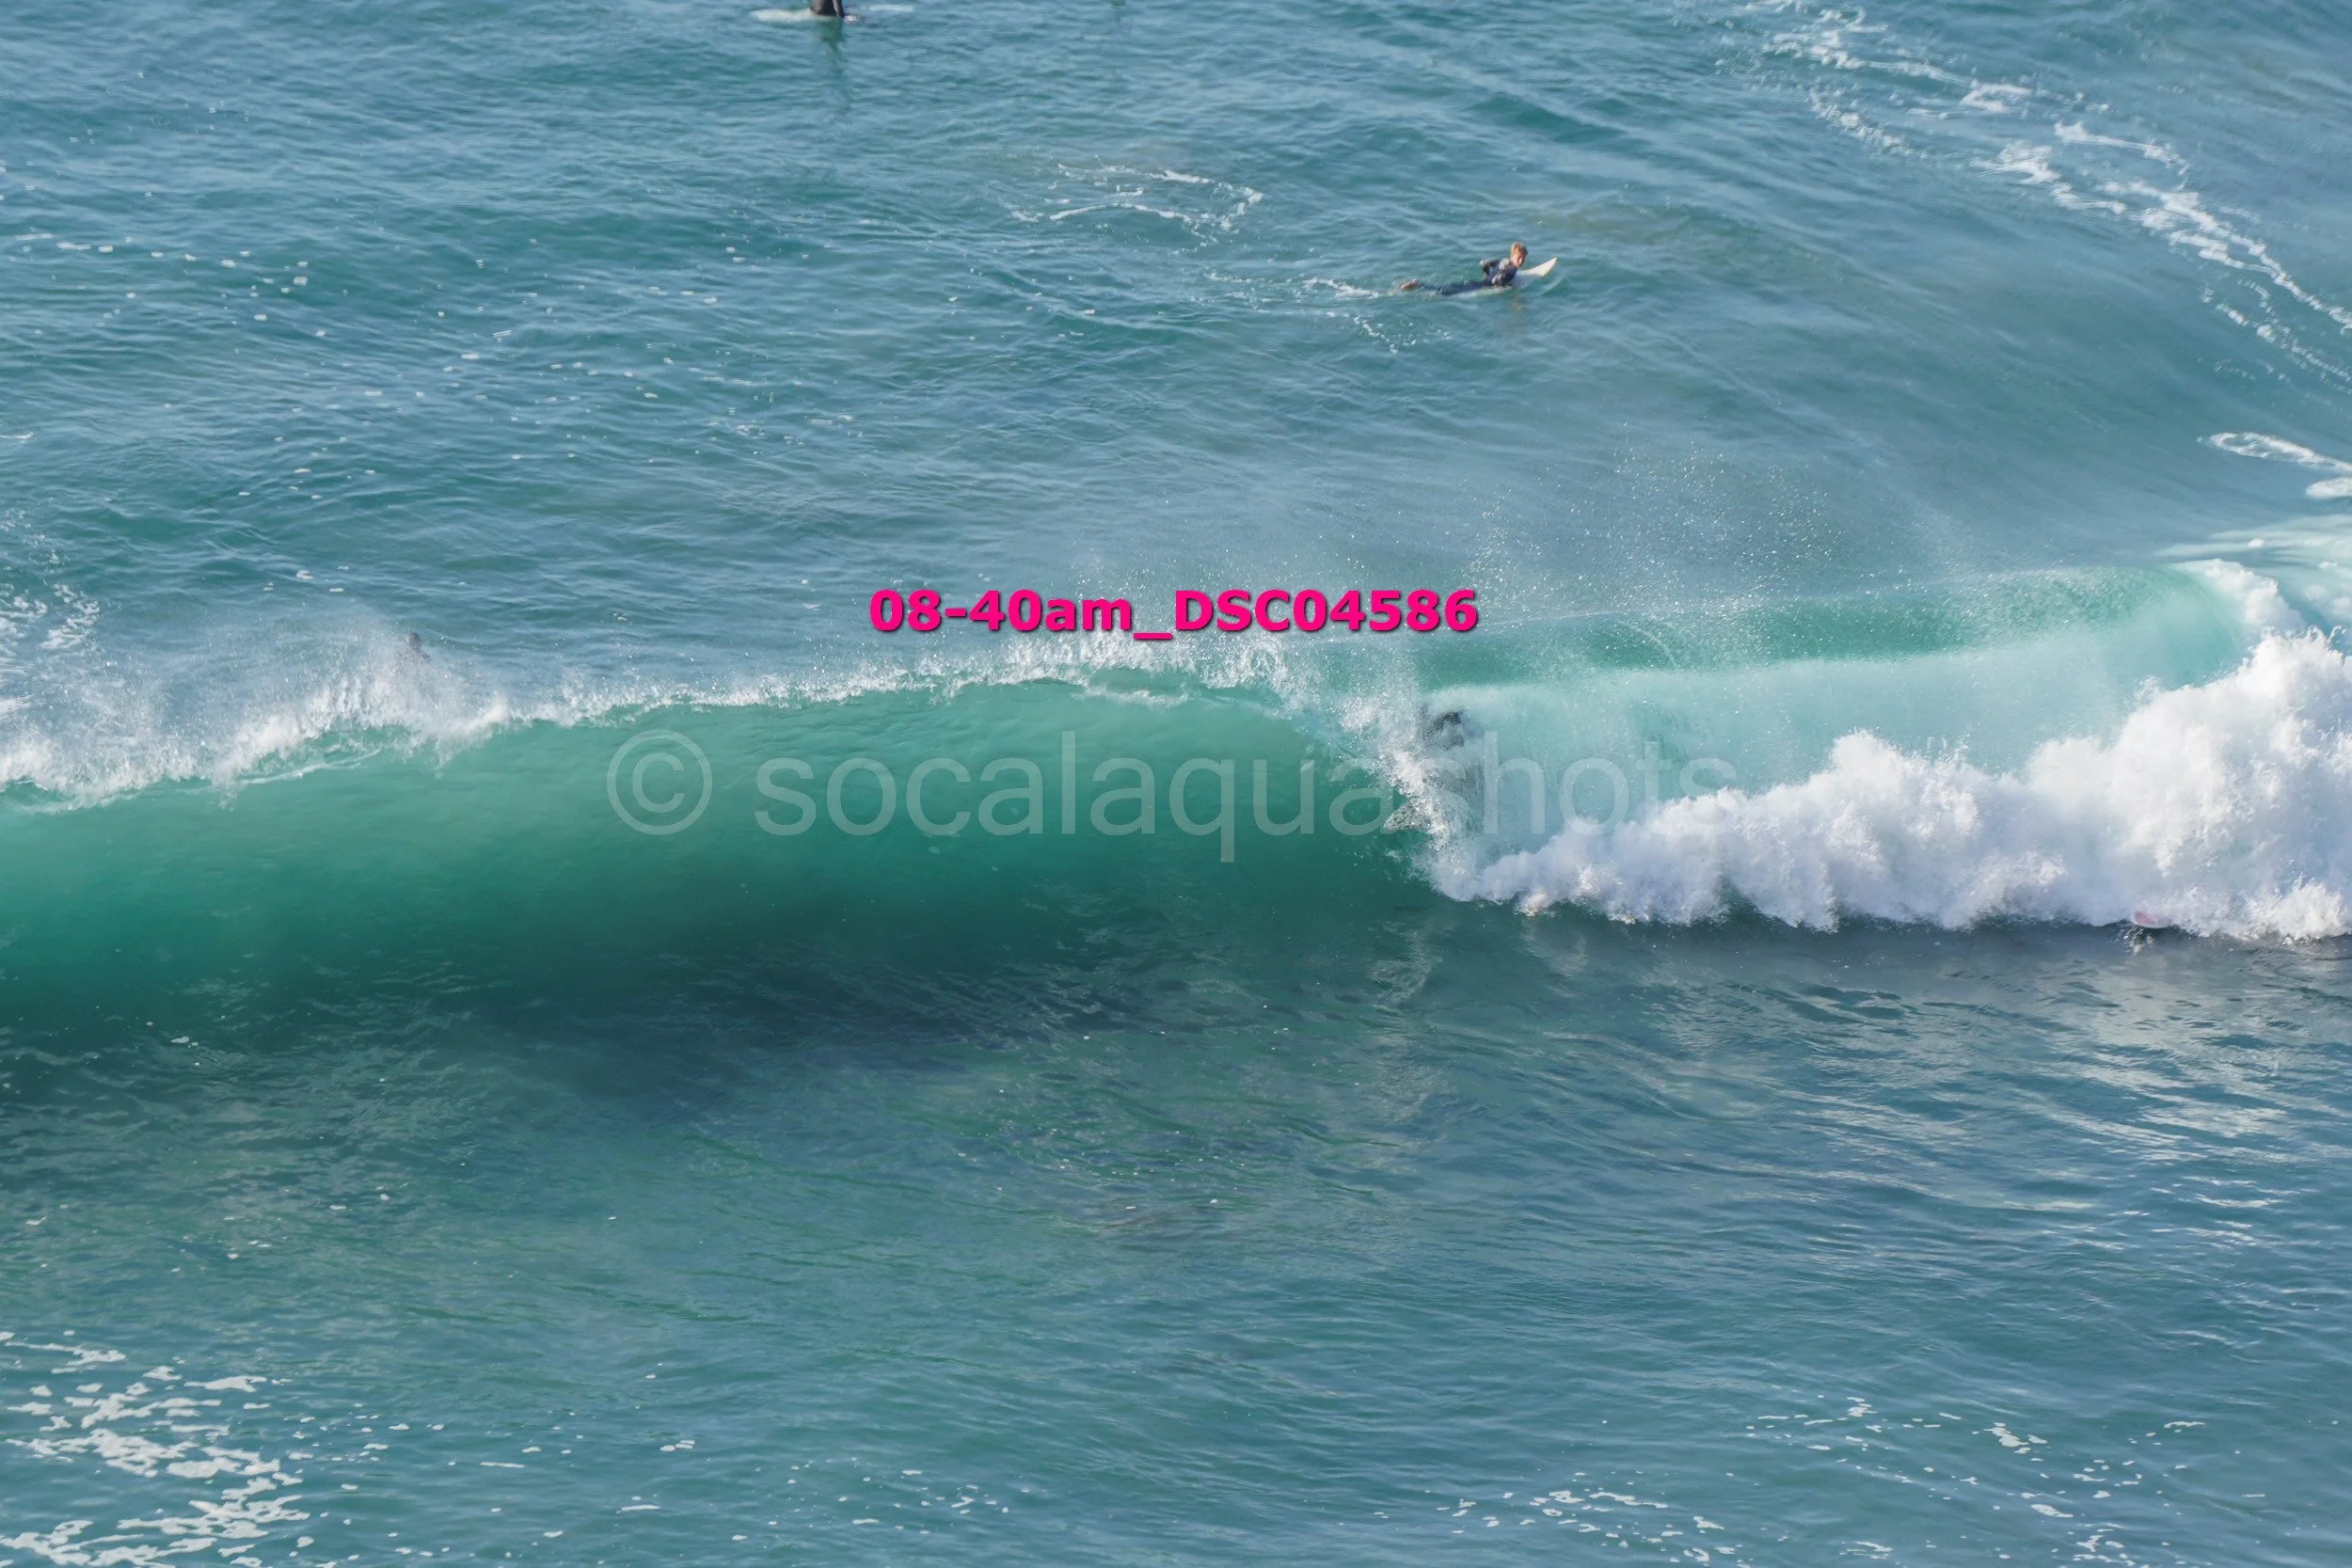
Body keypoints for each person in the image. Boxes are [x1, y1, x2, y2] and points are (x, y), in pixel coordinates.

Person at [1401, 243, 1529, 295]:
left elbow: (1483, 263)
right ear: (1512, 256)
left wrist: (1486, 275)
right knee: (1443, 293)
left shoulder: (1502, 261)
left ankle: (1419, 284)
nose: (1521, 261)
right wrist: (1508, 287)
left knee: (1445, 289)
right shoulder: (1511, 270)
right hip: (1480, 287)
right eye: (1519, 258)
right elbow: (1498, 279)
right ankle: (1418, 285)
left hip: (1476, 282)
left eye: (1523, 258)